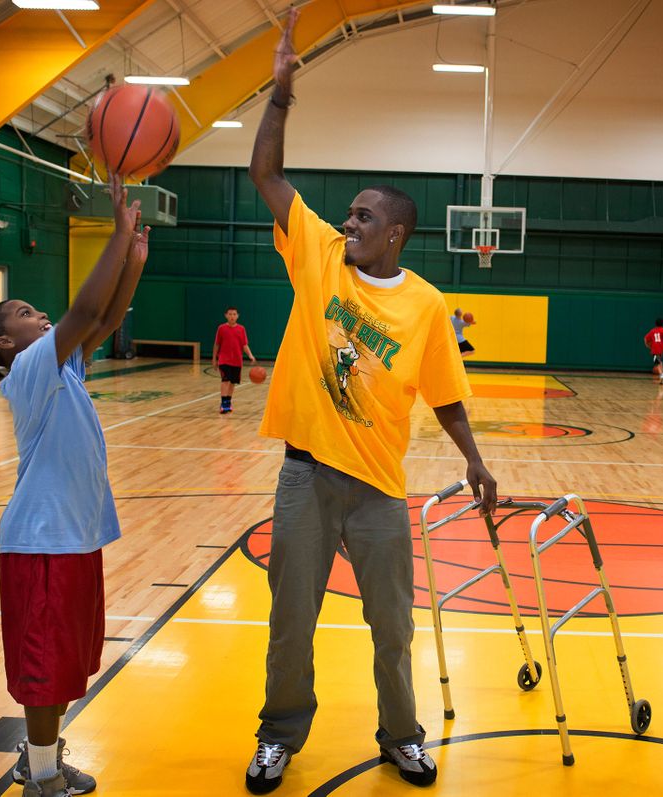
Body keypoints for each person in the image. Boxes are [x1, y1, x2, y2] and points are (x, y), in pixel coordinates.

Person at [243, 8, 497, 794]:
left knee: (392, 628)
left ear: (394, 235)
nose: (348, 221)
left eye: (364, 216)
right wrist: (280, 97)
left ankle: (402, 737)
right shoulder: (317, 254)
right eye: (349, 212)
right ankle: (279, 736)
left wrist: (478, 463)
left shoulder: (425, 304)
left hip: (382, 489)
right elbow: (268, 175)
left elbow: (447, 397)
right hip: (305, 476)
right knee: (292, 626)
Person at [0, 174, 149, 797]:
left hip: (70, 539)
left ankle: (38, 759)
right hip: (41, 540)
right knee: (46, 669)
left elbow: (104, 317)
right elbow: (82, 312)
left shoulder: (62, 367)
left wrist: (131, 264)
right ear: (5, 342)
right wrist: (117, 232)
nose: (38, 315)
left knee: (66, 663)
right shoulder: (26, 370)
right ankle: (42, 780)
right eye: (24, 314)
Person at [213, 306, 258, 414]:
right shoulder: (221, 328)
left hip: (237, 360)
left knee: (232, 382)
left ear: (237, 316)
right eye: (230, 314)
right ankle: (223, 403)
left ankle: (228, 402)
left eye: (234, 314)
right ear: (226, 315)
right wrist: (214, 359)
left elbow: (244, 345)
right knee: (225, 380)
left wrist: (250, 355)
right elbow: (217, 344)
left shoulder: (241, 329)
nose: (232, 316)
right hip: (224, 360)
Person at [644, 317, 663, 383]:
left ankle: (662, 377)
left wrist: (647, 346)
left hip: (655, 349)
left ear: (655, 323)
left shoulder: (652, 331)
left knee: (658, 363)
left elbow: (645, 338)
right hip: (661, 348)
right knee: (660, 362)